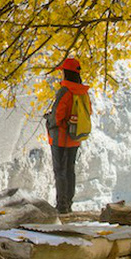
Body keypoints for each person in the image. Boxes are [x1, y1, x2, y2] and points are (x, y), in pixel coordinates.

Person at [45, 57, 90, 214]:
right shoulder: (83, 92)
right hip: (75, 137)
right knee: (69, 170)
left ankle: (61, 205)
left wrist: (49, 119)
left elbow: (58, 115)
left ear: (66, 72)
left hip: (61, 138)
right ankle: (68, 203)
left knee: (59, 170)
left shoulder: (65, 91)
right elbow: (87, 112)